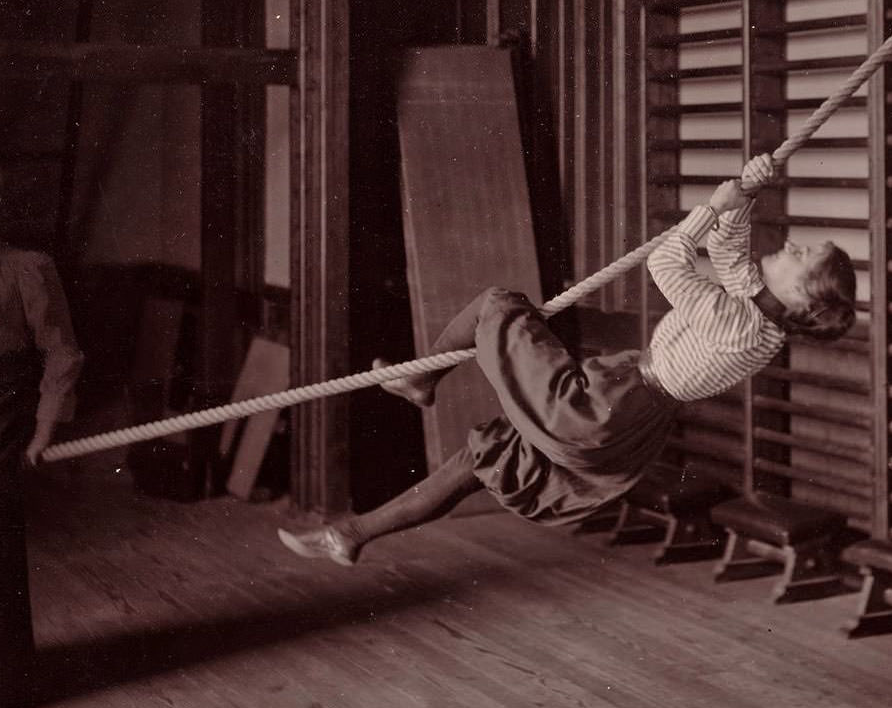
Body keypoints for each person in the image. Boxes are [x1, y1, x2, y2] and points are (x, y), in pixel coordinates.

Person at [278, 153, 856, 567]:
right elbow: (731, 258)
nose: (793, 245)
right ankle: (351, 534)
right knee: (482, 459)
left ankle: (422, 379)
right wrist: (746, 196)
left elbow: (668, 264)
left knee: (496, 304)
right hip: (626, 412)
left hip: (609, 405)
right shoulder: (763, 320)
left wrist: (711, 207)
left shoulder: (741, 323)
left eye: (804, 255)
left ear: (803, 295)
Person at [0, 179, 85, 708]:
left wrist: (45, 426)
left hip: (5, 408)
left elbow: (63, 354)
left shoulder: (26, 267)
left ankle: (8, 683)